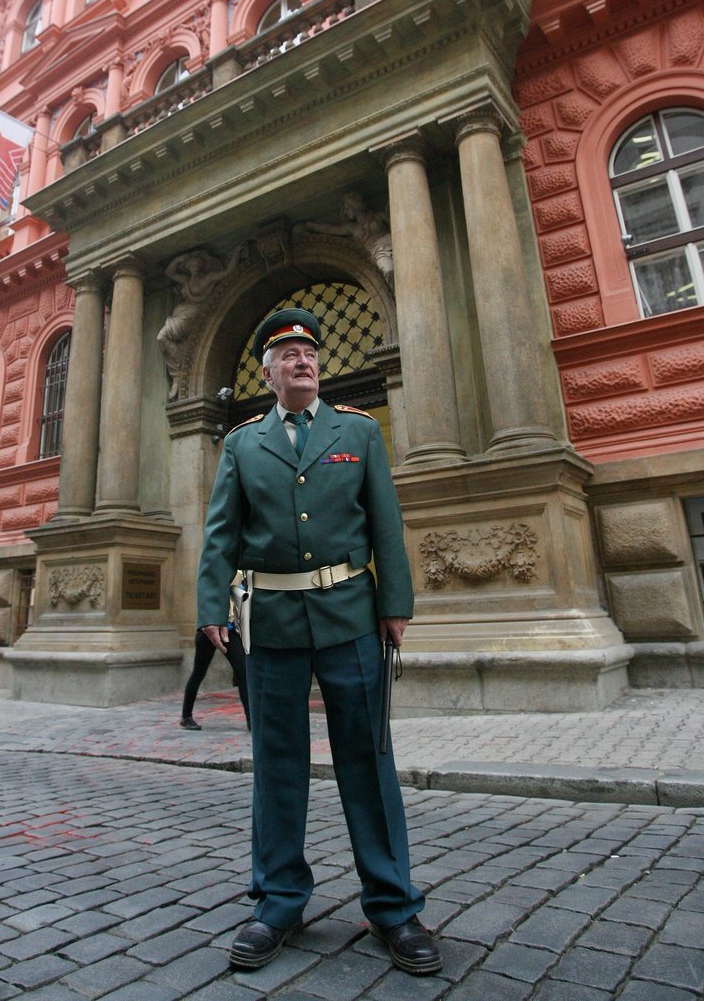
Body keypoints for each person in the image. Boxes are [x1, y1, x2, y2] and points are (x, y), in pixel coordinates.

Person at [197, 307, 441, 976]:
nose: (302, 361)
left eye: (310, 352)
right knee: (277, 766)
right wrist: (210, 603)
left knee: (368, 758)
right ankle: (278, 900)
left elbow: (386, 520)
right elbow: (221, 531)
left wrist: (395, 602)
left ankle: (393, 905)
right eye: (288, 356)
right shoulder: (243, 444)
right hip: (272, 624)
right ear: (269, 373)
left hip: (351, 619)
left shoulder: (357, 433)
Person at [180, 626, 250, 731]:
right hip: (208, 630)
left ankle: (251, 719)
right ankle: (186, 716)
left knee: (243, 671)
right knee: (198, 673)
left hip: (228, 631)